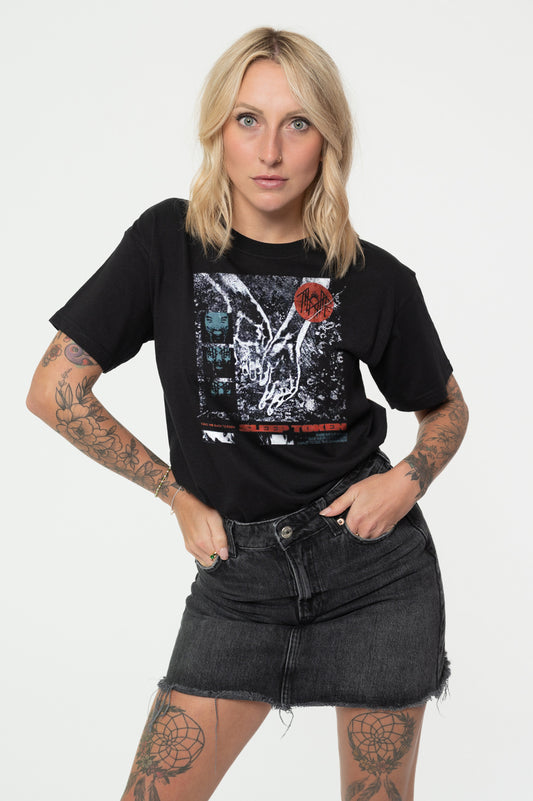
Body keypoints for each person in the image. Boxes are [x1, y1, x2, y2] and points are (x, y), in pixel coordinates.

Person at [26, 27, 468, 801]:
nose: (270, 150)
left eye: (297, 123)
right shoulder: (167, 243)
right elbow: (54, 390)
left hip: (374, 576)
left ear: (328, 139)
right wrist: (175, 493)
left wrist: (406, 479)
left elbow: (446, 408)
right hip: (239, 579)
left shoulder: (374, 277)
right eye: (247, 120)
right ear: (217, 131)